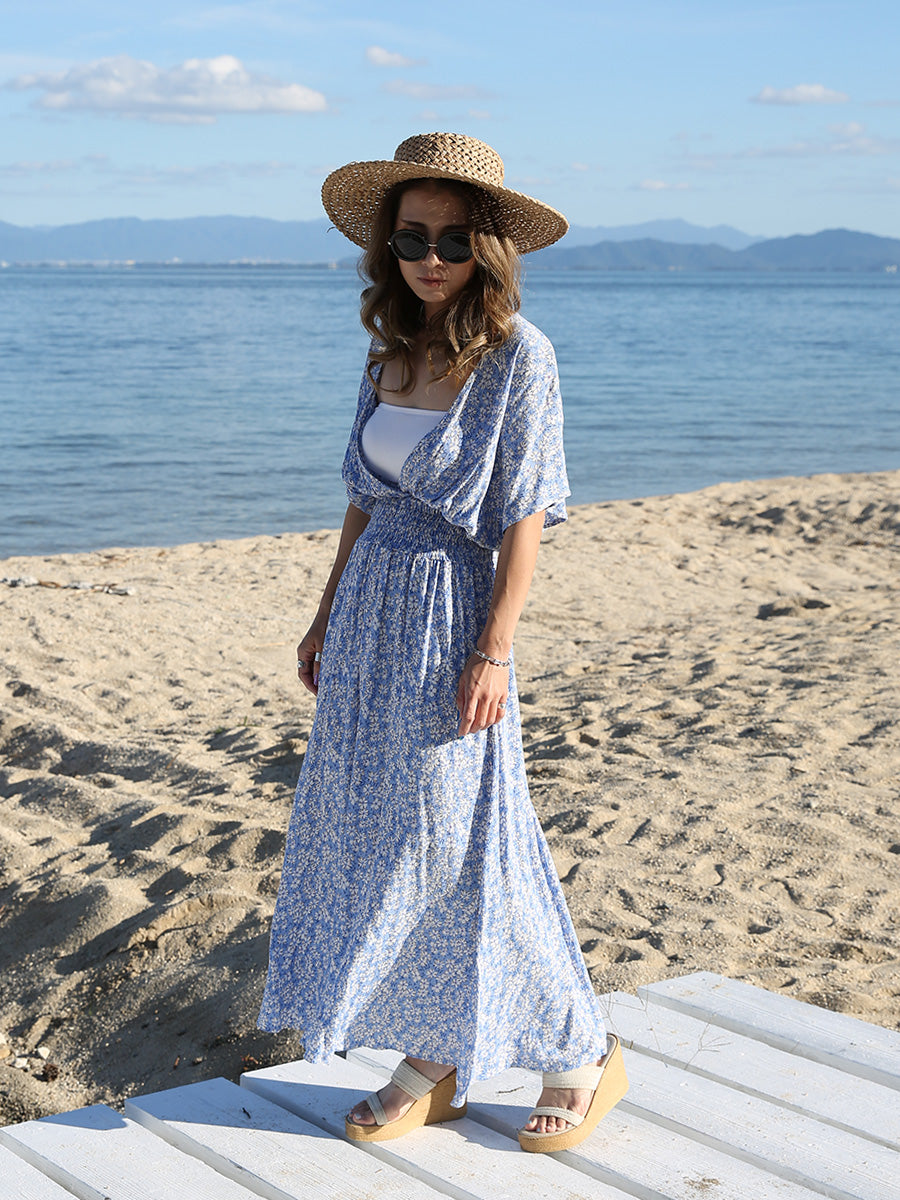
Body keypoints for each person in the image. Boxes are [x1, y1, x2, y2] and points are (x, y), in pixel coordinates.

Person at [257, 132, 628, 1154]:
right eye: (414, 237)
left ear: (488, 247)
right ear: (390, 246)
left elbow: (524, 515)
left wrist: (495, 649)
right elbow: (363, 499)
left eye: (455, 239)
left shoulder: (519, 356)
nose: (432, 257)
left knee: (464, 839)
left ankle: (579, 1050)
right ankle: (436, 1053)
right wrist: (325, 613)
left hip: (452, 613)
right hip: (370, 614)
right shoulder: (389, 350)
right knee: (388, 838)